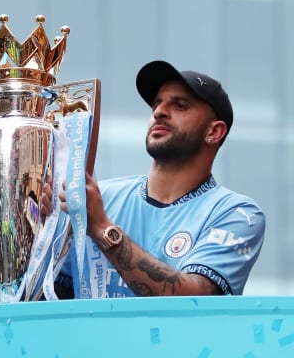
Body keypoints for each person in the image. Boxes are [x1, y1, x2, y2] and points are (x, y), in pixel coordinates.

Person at [55, 60, 265, 297]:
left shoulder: (237, 214)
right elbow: (53, 294)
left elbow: (196, 299)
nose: (159, 112)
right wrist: (47, 228)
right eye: (156, 104)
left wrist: (101, 228)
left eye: (180, 105)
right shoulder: (98, 197)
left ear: (214, 132)